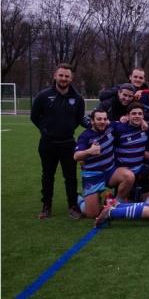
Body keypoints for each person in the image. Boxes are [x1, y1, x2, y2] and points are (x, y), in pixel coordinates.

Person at [31, 63, 85, 219]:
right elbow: (34, 117)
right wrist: (45, 130)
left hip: (68, 143)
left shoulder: (77, 98)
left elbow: (79, 119)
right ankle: (46, 206)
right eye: (61, 75)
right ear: (55, 76)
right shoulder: (43, 96)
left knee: (70, 177)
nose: (63, 78)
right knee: (47, 175)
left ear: (71, 78)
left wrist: (68, 128)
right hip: (47, 143)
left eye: (67, 76)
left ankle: (73, 206)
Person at [74, 109, 136, 217]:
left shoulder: (110, 127)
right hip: (93, 175)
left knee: (129, 176)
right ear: (92, 121)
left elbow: (128, 121)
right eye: (99, 119)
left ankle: (115, 204)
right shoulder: (86, 136)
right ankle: (79, 199)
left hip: (109, 171)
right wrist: (89, 151)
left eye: (104, 119)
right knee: (92, 214)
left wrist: (141, 122)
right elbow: (76, 156)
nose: (102, 121)